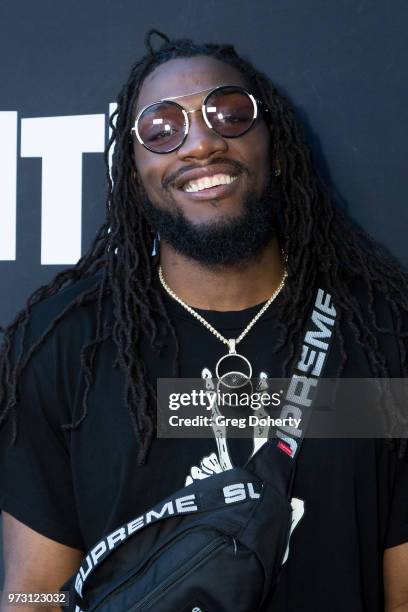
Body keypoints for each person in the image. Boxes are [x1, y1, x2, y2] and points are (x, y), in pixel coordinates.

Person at [0, 29, 407, 611]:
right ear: (133, 170)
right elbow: (31, 594)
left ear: (274, 142)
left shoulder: (383, 333)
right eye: (161, 129)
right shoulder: (67, 344)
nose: (200, 144)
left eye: (230, 114)